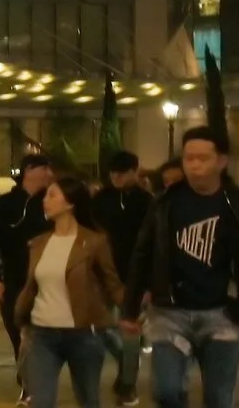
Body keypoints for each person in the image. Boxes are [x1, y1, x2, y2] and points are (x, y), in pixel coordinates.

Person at [117, 127, 239, 408]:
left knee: (218, 398)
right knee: (165, 391)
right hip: (170, 314)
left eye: (203, 158)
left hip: (222, 315)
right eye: (189, 158)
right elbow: (142, 254)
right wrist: (130, 308)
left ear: (222, 161)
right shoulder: (164, 204)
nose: (194, 165)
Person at [15, 174, 126, 408]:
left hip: (83, 334)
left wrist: (130, 312)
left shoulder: (95, 242)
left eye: (52, 195)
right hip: (42, 334)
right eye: (46, 195)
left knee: (88, 400)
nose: (46, 200)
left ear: (70, 203)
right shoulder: (39, 243)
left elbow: (112, 282)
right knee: (41, 402)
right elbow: (32, 286)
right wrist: (22, 319)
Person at [0, 154, 59, 402]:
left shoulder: (51, 202)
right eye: (44, 168)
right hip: (14, 278)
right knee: (16, 331)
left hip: (46, 279)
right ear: (29, 170)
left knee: (37, 334)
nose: (48, 174)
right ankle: (27, 377)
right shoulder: (5, 204)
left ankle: (34, 384)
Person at [92, 151, 155, 406]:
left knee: (131, 334)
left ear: (134, 171)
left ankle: (128, 384)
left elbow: (153, 244)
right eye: (113, 173)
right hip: (102, 275)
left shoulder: (148, 202)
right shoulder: (100, 201)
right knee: (98, 326)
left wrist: (149, 283)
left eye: (123, 173)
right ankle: (123, 365)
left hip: (135, 277)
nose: (117, 178)